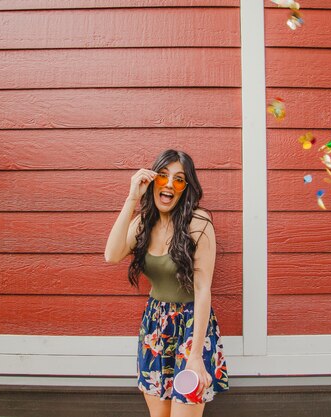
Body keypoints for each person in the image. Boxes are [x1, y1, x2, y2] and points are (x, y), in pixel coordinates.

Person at [105, 149, 229, 417]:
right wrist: (131, 197)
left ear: (186, 188)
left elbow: (202, 289)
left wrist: (195, 355)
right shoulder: (142, 225)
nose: (170, 184)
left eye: (179, 179)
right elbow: (111, 254)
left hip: (192, 328)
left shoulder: (198, 223)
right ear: (152, 182)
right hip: (155, 326)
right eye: (162, 176)